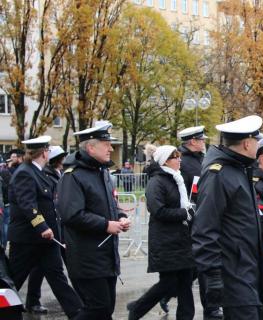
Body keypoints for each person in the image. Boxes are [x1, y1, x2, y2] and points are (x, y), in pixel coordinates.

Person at [192, 115, 263, 320]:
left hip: (246, 269)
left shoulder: (240, 169)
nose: (259, 145)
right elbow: (204, 229)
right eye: (257, 141)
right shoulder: (219, 174)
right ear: (247, 143)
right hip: (230, 274)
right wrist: (214, 276)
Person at [57, 122, 131, 319]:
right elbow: (72, 214)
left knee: (106, 309)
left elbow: (109, 205)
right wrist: (106, 225)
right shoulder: (73, 176)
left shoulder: (102, 172)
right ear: (90, 147)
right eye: (106, 144)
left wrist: (120, 217)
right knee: (97, 308)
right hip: (86, 256)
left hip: (106, 257)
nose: (111, 148)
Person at [8, 136, 82, 319]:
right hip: (28, 239)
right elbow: (28, 205)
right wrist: (42, 227)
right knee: (13, 280)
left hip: (45, 240)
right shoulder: (25, 173)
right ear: (43, 152)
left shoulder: (38, 171)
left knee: (57, 275)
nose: (50, 153)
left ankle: (78, 313)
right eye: (48, 150)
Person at [127, 146, 195, 320]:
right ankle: (137, 309)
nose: (180, 160)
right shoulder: (157, 181)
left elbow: (183, 205)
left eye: (179, 157)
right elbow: (158, 210)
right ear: (165, 161)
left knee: (185, 284)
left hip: (182, 239)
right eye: (175, 157)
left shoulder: (176, 179)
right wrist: (184, 213)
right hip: (165, 241)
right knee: (168, 283)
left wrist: (190, 212)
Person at [176, 125, 222, 319]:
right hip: (192, 221)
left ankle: (210, 306)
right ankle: (211, 307)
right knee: (202, 265)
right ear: (192, 141)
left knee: (199, 266)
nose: (204, 142)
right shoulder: (185, 163)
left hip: (202, 217)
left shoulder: (201, 160)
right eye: (201, 139)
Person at [25, 145, 68, 314]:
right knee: (37, 269)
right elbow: (30, 204)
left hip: (56, 226)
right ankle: (31, 300)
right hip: (41, 230)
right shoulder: (44, 174)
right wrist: (42, 226)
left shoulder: (57, 174)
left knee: (55, 270)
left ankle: (77, 308)